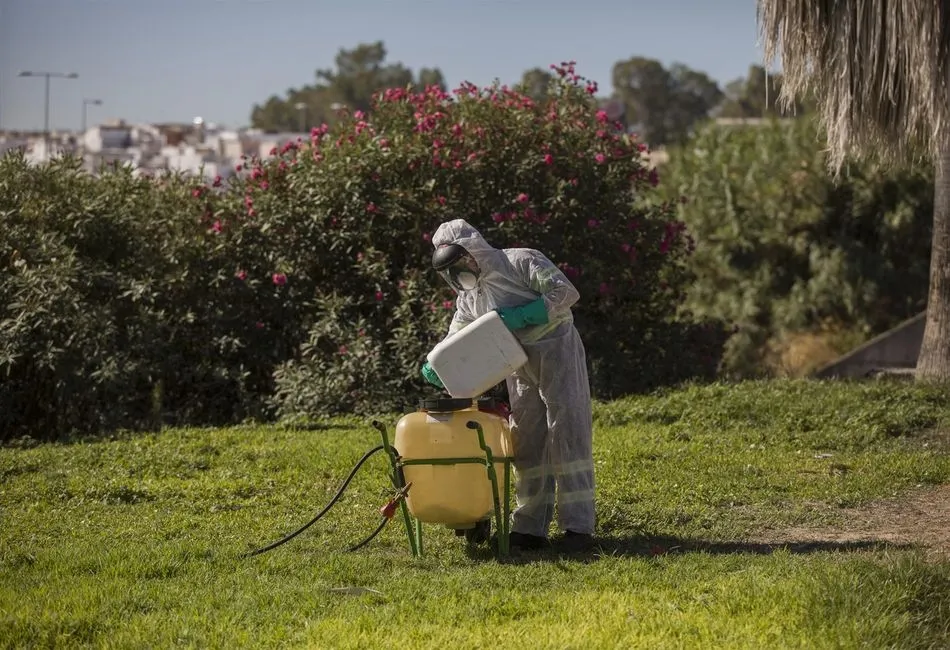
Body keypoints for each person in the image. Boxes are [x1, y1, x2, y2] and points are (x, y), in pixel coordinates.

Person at [420, 218, 595, 552]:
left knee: (567, 432)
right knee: (526, 441)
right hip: (515, 362)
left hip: (556, 351)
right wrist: (436, 363)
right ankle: (529, 528)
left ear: (473, 251)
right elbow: (457, 334)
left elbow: (565, 292)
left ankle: (577, 528)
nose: (458, 274)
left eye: (460, 263)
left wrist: (524, 314)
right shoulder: (469, 297)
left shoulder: (521, 261)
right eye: (450, 271)